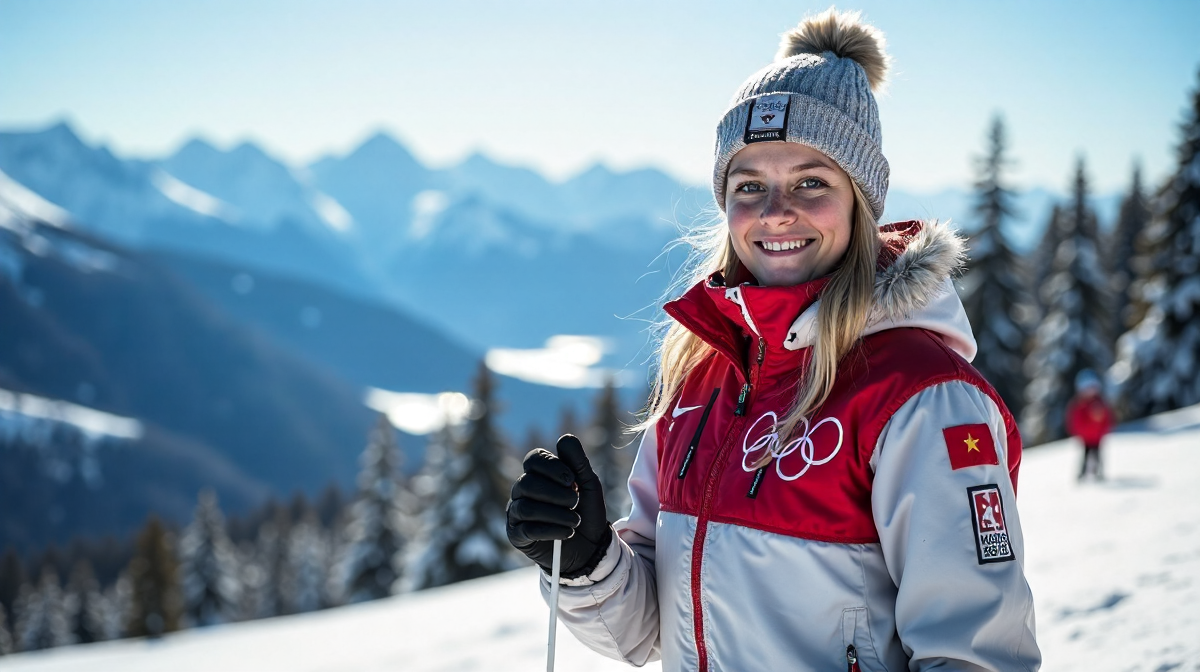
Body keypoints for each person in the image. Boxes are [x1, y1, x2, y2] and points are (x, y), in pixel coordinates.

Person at [506, 9, 1039, 671]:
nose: (774, 212)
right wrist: (588, 563)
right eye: (748, 185)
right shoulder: (706, 373)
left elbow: (977, 656)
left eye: (810, 182)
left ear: (860, 199)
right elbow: (653, 633)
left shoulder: (921, 397)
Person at [1066, 369, 1114, 481]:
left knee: (1097, 454)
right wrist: (1079, 432)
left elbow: (1108, 418)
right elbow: (1075, 421)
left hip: (1097, 437)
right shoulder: (1079, 405)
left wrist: (1103, 429)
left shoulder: (1100, 403)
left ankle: (1098, 472)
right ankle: (1082, 473)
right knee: (1086, 454)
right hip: (1086, 438)